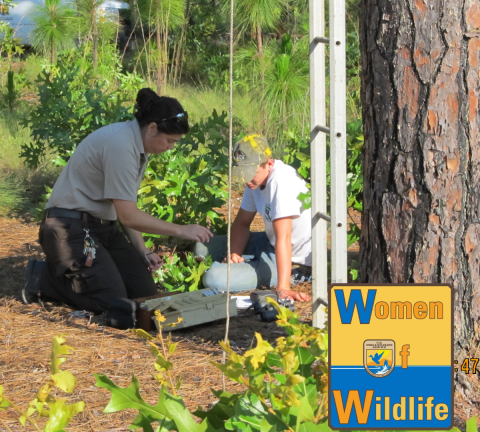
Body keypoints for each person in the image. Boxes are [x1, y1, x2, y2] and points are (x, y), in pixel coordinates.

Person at [23, 88, 213, 327]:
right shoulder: (121, 145)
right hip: (68, 228)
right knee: (110, 300)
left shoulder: (137, 144)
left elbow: (125, 210)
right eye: (169, 141)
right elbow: (128, 215)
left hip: (101, 229)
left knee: (143, 294)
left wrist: (142, 251)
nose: (170, 147)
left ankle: (83, 275)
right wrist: (180, 229)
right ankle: (43, 279)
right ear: (152, 128)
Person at [194, 135, 312, 302]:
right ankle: (240, 266)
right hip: (269, 241)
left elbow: (284, 239)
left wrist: (283, 289)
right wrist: (235, 252)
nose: (246, 179)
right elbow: (242, 223)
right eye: (242, 172)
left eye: (251, 172)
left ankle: (282, 275)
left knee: (213, 278)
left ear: (269, 163)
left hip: (293, 259)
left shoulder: (281, 182)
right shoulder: (255, 181)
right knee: (201, 246)